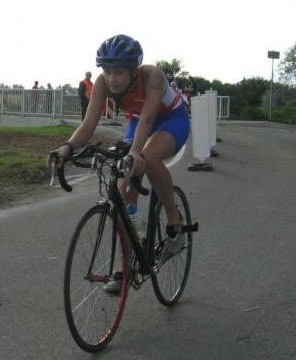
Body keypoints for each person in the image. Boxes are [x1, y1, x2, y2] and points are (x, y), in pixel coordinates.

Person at [49, 34, 190, 292]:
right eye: (107, 71)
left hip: (170, 119)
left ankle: (174, 222)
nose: (112, 78)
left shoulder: (152, 76)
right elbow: (88, 124)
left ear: (134, 70)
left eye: (119, 72)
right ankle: (127, 263)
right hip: (138, 122)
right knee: (123, 191)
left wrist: (136, 153)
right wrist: (67, 147)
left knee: (148, 156)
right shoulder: (102, 82)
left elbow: (148, 119)